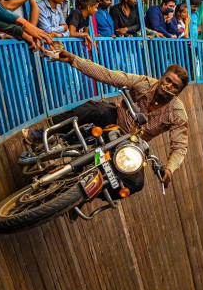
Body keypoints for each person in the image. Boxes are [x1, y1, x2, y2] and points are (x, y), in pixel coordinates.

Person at [25, 53, 189, 190]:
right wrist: (73, 60)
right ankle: (43, 133)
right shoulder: (144, 83)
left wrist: (170, 168)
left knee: (135, 183)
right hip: (115, 120)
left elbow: (180, 145)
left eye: (175, 86)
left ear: (179, 92)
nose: (169, 86)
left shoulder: (178, 113)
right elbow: (108, 75)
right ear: (162, 77)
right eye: (168, 80)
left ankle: (82, 196)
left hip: (131, 144)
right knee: (96, 109)